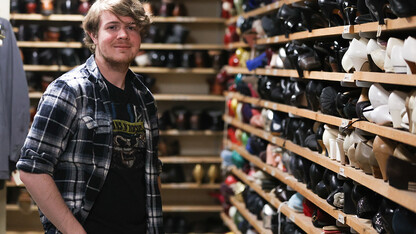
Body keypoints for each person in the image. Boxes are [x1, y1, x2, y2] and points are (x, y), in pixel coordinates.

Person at [16, 0, 164, 233]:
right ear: (93, 34)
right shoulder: (69, 91)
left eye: (131, 27)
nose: (123, 35)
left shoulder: (145, 99)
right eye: (112, 27)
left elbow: (151, 171)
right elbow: (31, 170)